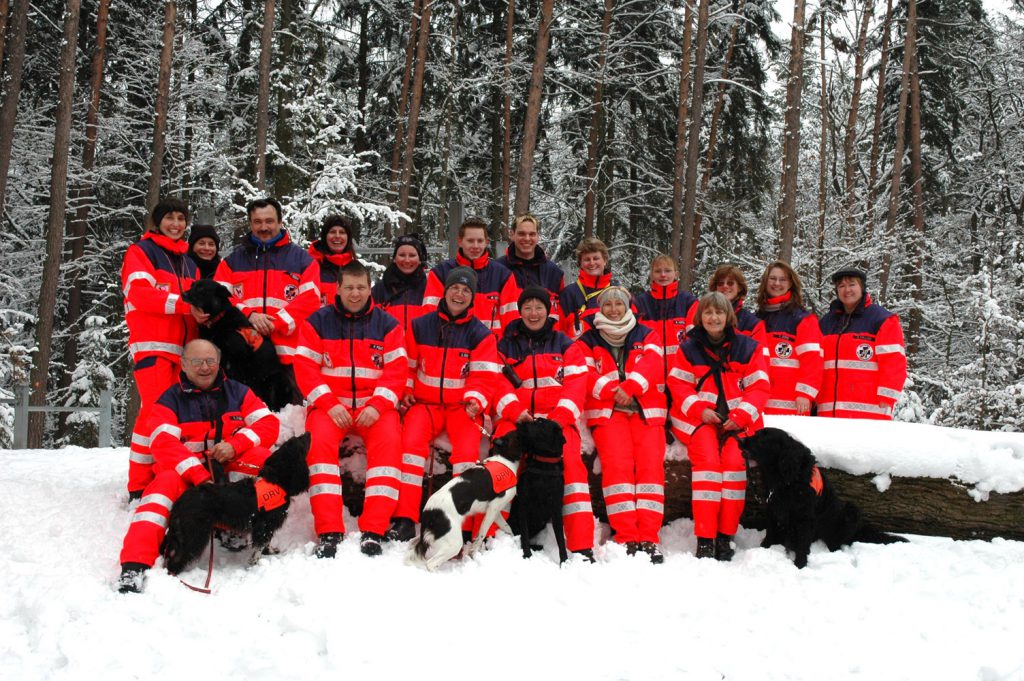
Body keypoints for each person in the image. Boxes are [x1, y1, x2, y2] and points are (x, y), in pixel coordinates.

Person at [117, 339, 280, 593]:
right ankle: (134, 566)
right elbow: (162, 442)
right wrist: (197, 473)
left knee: (260, 458)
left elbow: (268, 424)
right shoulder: (169, 400)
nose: (205, 368)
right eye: (197, 362)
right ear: (183, 364)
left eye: (210, 361)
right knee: (160, 489)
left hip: (226, 469)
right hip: (186, 475)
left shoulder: (238, 392)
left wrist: (235, 445)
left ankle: (237, 529)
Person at [294, 261, 408, 559]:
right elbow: (305, 369)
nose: (355, 293)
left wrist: (379, 404)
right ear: (337, 289)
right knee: (318, 451)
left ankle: (375, 529)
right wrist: (329, 404)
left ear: (370, 287)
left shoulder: (388, 324)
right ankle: (329, 529)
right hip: (331, 407)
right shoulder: (317, 322)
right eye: (349, 288)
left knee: (390, 448)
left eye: (361, 287)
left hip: (375, 407)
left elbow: (397, 371)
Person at [386, 267, 503, 542]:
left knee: (466, 456)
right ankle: (405, 518)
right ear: (445, 291)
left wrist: (476, 399)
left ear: (472, 298)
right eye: (455, 288)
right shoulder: (419, 325)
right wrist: (407, 389)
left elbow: (485, 376)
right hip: (425, 405)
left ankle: (458, 523)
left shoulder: (481, 334)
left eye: (465, 290)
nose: (459, 294)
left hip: (462, 407)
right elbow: (407, 366)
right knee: (410, 448)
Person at [493, 286, 594, 559]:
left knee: (572, 470)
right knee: (501, 464)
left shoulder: (566, 345)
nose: (533, 313)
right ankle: (494, 536)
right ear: (520, 310)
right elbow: (498, 385)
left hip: (555, 423)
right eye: (527, 307)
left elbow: (576, 387)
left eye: (539, 307)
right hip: (518, 419)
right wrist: (516, 412)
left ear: (547, 311)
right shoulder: (506, 344)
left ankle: (582, 545)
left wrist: (558, 421)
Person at [668, 292, 770, 561]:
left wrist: (740, 416)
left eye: (719, 313)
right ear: (700, 317)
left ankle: (725, 535)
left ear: (729, 317)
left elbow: (759, 387)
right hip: (699, 419)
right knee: (708, 465)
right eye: (708, 312)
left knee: (735, 465)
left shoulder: (748, 347)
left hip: (739, 422)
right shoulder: (688, 347)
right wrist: (701, 410)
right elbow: (678, 385)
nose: (714, 318)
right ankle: (705, 537)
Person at [574, 286, 667, 563]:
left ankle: (649, 537)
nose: (613, 308)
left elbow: (653, 363)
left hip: (645, 411)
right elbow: (586, 372)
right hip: (608, 412)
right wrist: (615, 390)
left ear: (628, 306)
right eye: (608, 304)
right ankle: (626, 535)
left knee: (650, 470)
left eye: (619, 303)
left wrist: (631, 386)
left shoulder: (646, 333)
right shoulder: (587, 339)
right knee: (617, 469)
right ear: (600, 308)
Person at [121, 198, 205, 499]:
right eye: (169, 218)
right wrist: (183, 305)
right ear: (158, 222)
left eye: (181, 219)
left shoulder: (189, 262)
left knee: (173, 417)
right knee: (154, 415)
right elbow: (141, 294)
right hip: (153, 347)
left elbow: (194, 311)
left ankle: (164, 475)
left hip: (183, 354)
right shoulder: (141, 252)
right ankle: (139, 484)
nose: (176, 224)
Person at [214, 197, 320, 403]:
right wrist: (249, 316)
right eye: (257, 222)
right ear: (250, 223)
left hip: (288, 356)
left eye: (269, 221)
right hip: (245, 354)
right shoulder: (232, 262)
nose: (264, 227)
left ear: (280, 222)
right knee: (247, 416)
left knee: (293, 419)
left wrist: (275, 322)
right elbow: (220, 297)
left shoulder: (303, 261)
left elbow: (310, 300)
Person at [817, 266, 906, 420]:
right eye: (841, 286)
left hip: (870, 412)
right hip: (828, 411)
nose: (847, 290)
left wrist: (887, 396)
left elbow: (894, 362)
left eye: (852, 284)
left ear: (862, 287)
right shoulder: (826, 323)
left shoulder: (882, 320)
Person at [423, 217, 519, 337]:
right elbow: (430, 316)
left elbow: (511, 320)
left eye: (480, 241)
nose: (475, 246)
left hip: (491, 350)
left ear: (486, 242)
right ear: (460, 241)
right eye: (470, 240)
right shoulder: (441, 273)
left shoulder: (503, 275)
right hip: (452, 347)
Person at [755, 261, 823, 415]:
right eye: (772, 278)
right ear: (765, 282)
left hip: (792, 403)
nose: (777, 283)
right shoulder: (756, 319)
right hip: (759, 403)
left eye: (783, 279)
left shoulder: (803, 319)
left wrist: (805, 394)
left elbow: (812, 360)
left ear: (791, 283)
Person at [495, 214, 565, 326]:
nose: (527, 238)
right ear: (512, 235)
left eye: (532, 234)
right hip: (509, 340)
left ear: (538, 236)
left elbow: (562, 313)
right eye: (521, 234)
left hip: (546, 341)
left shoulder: (553, 272)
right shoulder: (497, 269)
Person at [371, 232, 430, 339]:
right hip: (388, 351)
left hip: (419, 352)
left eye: (412, 255)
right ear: (394, 258)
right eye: (402, 255)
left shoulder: (429, 289)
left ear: (420, 259)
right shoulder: (380, 289)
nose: (407, 260)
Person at [702, 264, 768, 355]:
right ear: (715, 288)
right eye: (720, 283)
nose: (725, 286)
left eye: (730, 283)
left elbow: (761, 359)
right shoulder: (704, 317)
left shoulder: (752, 324)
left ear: (740, 287)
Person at [560, 237, 615, 339]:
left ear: (605, 261)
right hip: (578, 352)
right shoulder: (569, 293)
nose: (592, 263)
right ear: (580, 264)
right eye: (586, 259)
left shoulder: (617, 292)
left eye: (596, 258)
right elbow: (559, 331)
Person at [308, 214, 356, 307]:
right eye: (332, 232)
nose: (337, 236)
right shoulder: (310, 266)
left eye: (342, 232)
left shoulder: (355, 269)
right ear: (325, 236)